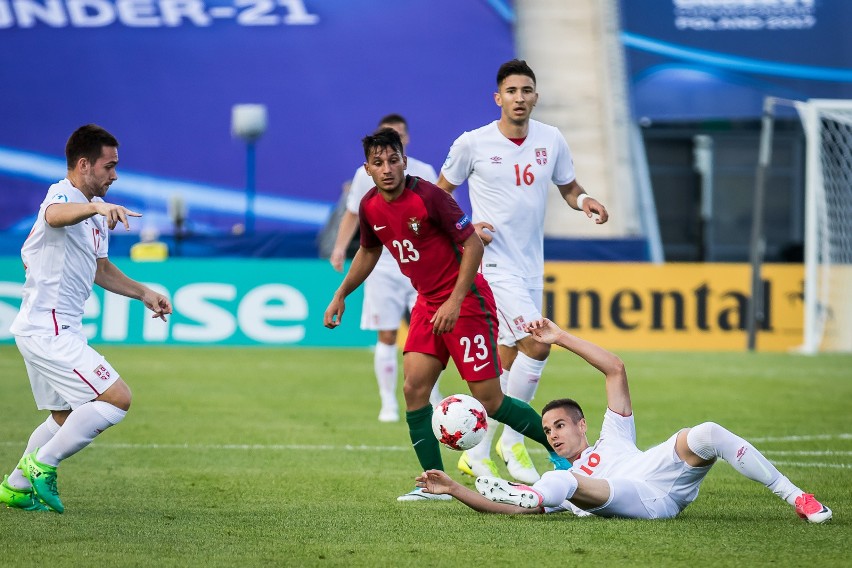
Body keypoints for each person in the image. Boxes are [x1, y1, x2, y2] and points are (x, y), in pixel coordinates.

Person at [323, 128, 568, 502]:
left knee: (489, 400)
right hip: (427, 303)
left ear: (404, 161)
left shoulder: (429, 197)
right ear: (367, 170)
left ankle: (564, 455)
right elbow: (369, 252)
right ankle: (434, 483)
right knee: (414, 388)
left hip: (466, 300)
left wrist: (454, 301)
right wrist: (341, 294)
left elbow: (471, 244)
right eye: (378, 163)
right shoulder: (371, 206)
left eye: (393, 160)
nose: (387, 168)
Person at [415, 318, 833, 524]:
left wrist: (560, 338)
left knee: (705, 432)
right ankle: (524, 493)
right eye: (546, 431)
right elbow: (501, 511)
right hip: (638, 500)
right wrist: (453, 489)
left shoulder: (612, 435)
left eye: (559, 425)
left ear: (582, 425)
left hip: (659, 472)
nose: (553, 435)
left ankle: (796, 497)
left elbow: (615, 368)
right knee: (562, 485)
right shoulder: (566, 477)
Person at [436, 59, 609, 485]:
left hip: (531, 266)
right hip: (490, 264)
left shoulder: (551, 139)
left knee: (511, 358)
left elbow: (567, 187)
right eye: (511, 91)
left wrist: (584, 199)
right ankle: (513, 441)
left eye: (526, 90)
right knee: (539, 340)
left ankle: (475, 454)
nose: (519, 98)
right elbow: (439, 196)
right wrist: (467, 227)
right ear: (498, 98)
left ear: (535, 96)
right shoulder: (472, 143)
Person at [0, 124, 172, 514]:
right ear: (83, 164)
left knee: (63, 419)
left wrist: (146, 293)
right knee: (117, 399)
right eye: (109, 166)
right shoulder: (63, 195)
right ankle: (41, 464)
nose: (115, 175)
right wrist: (95, 206)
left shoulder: (94, 216)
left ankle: (16, 485)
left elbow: (102, 270)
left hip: (52, 329)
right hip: (50, 329)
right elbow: (55, 215)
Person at [329, 114, 442, 422]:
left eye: (399, 134)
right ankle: (388, 403)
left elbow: (445, 211)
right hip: (382, 265)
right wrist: (340, 247)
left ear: (405, 141)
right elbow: (353, 214)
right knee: (387, 334)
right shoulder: (366, 174)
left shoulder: (424, 172)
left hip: (422, 266)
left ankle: (432, 393)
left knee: (431, 334)